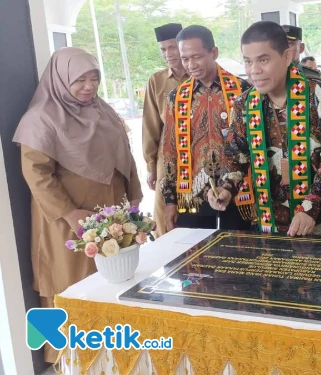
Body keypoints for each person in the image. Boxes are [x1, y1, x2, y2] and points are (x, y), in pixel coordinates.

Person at [13, 47, 142, 363]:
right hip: (66, 222)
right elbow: (36, 174)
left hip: (110, 215)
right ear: (60, 80)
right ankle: (70, 360)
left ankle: (110, 356)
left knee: (111, 279)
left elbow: (124, 154)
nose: (88, 87)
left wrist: (135, 196)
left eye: (93, 78)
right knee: (68, 284)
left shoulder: (103, 110)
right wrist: (70, 213)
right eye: (79, 80)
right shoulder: (40, 119)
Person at [208, 21, 321, 236]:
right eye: (247, 61)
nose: (254, 70)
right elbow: (236, 155)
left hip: (319, 220)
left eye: (263, 60)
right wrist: (226, 188)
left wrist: (309, 208)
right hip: (269, 219)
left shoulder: (320, 94)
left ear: (286, 57)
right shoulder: (245, 104)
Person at [161, 25, 251, 232]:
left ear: (214, 52)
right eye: (185, 59)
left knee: (238, 255)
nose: (191, 65)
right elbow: (169, 150)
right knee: (195, 259)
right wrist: (170, 201)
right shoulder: (177, 97)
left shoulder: (244, 91)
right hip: (193, 192)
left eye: (197, 57)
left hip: (239, 191)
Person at [142, 23, 189, 238]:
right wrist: (151, 166)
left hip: (200, 157)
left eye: (172, 47)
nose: (168, 54)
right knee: (164, 215)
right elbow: (151, 126)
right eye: (163, 49)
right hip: (167, 159)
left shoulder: (200, 75)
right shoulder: (157, 81)